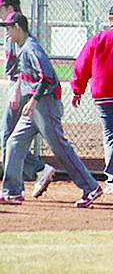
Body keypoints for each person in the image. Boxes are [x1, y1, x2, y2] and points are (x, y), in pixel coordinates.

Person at [0, 13, 102, 207]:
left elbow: (47, 77)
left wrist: (34, 101)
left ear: (18, 27)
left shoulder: (31, 47)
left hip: (44, 104)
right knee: (14, 142)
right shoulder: (22, 47)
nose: (6, 32)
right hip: (36, 106)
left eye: (8, 27)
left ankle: (91, 187)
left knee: (60, 148)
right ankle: (12, 192)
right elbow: (27, 75)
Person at [71, 3, 113, 194]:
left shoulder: (98, 37)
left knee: (111, 137)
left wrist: (77, 89)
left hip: (104, 94)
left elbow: (82, 65)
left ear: (110, 19)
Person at [0, 0, 55, 195]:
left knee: (7, 136)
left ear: (7, 7)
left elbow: (20, 66)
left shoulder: (15, 27)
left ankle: (29, 177)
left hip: (19, 87)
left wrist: (15, 91)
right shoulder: (13, 26)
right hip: (19, 86)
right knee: (12, 137)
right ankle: (35, 172)